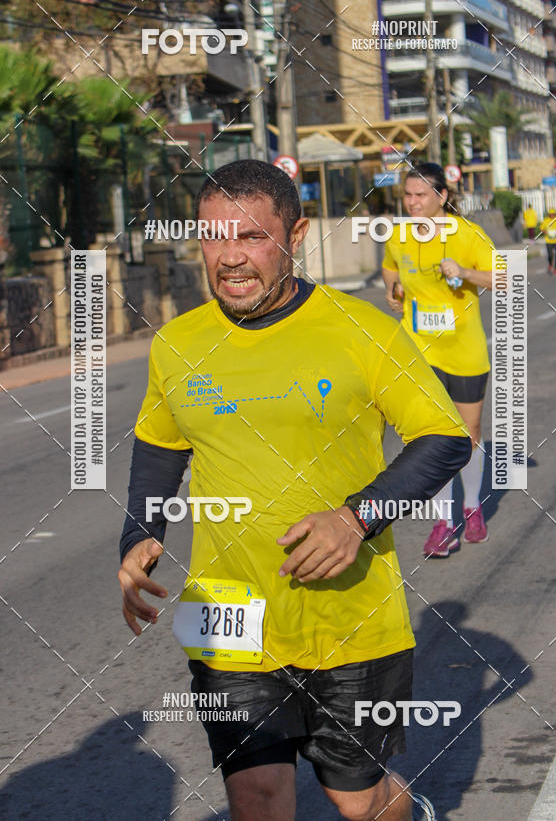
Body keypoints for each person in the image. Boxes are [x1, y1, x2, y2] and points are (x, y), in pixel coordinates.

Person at [118, 160, 471, 821]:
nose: (229, 258)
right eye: (214, 238)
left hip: (351, 623)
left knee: (357, 799)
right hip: (230, 622)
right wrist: (140, 536)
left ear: (296, 234)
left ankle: (409, 810)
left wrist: (356, 518)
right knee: (255, 796)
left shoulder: (360, 329)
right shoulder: (177, 343)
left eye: (251, 237)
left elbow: (444, 437)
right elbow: (160, 444)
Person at [382, 162, 494, 558]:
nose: (411, 203)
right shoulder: (398, 234)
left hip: (464, 350)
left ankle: (472, 507)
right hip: (420, 350)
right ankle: (443, 523)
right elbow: (390, 268)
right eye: (407, 196)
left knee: (469, 433)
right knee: (435, 437)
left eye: (420, 196)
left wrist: (464, 271)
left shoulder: (467, 234)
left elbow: (504, 275)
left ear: (442, 197)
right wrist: (393, 292)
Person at [540, 209, 556, 275]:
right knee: (550, 255)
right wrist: (546, 233)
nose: (552, 215)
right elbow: (542, 229)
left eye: (553, 214)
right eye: (550, 214)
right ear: (549, 214)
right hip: (549, 241)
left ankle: (555, 268)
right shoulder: (546, 220)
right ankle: (550, 264)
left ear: (555, 214)